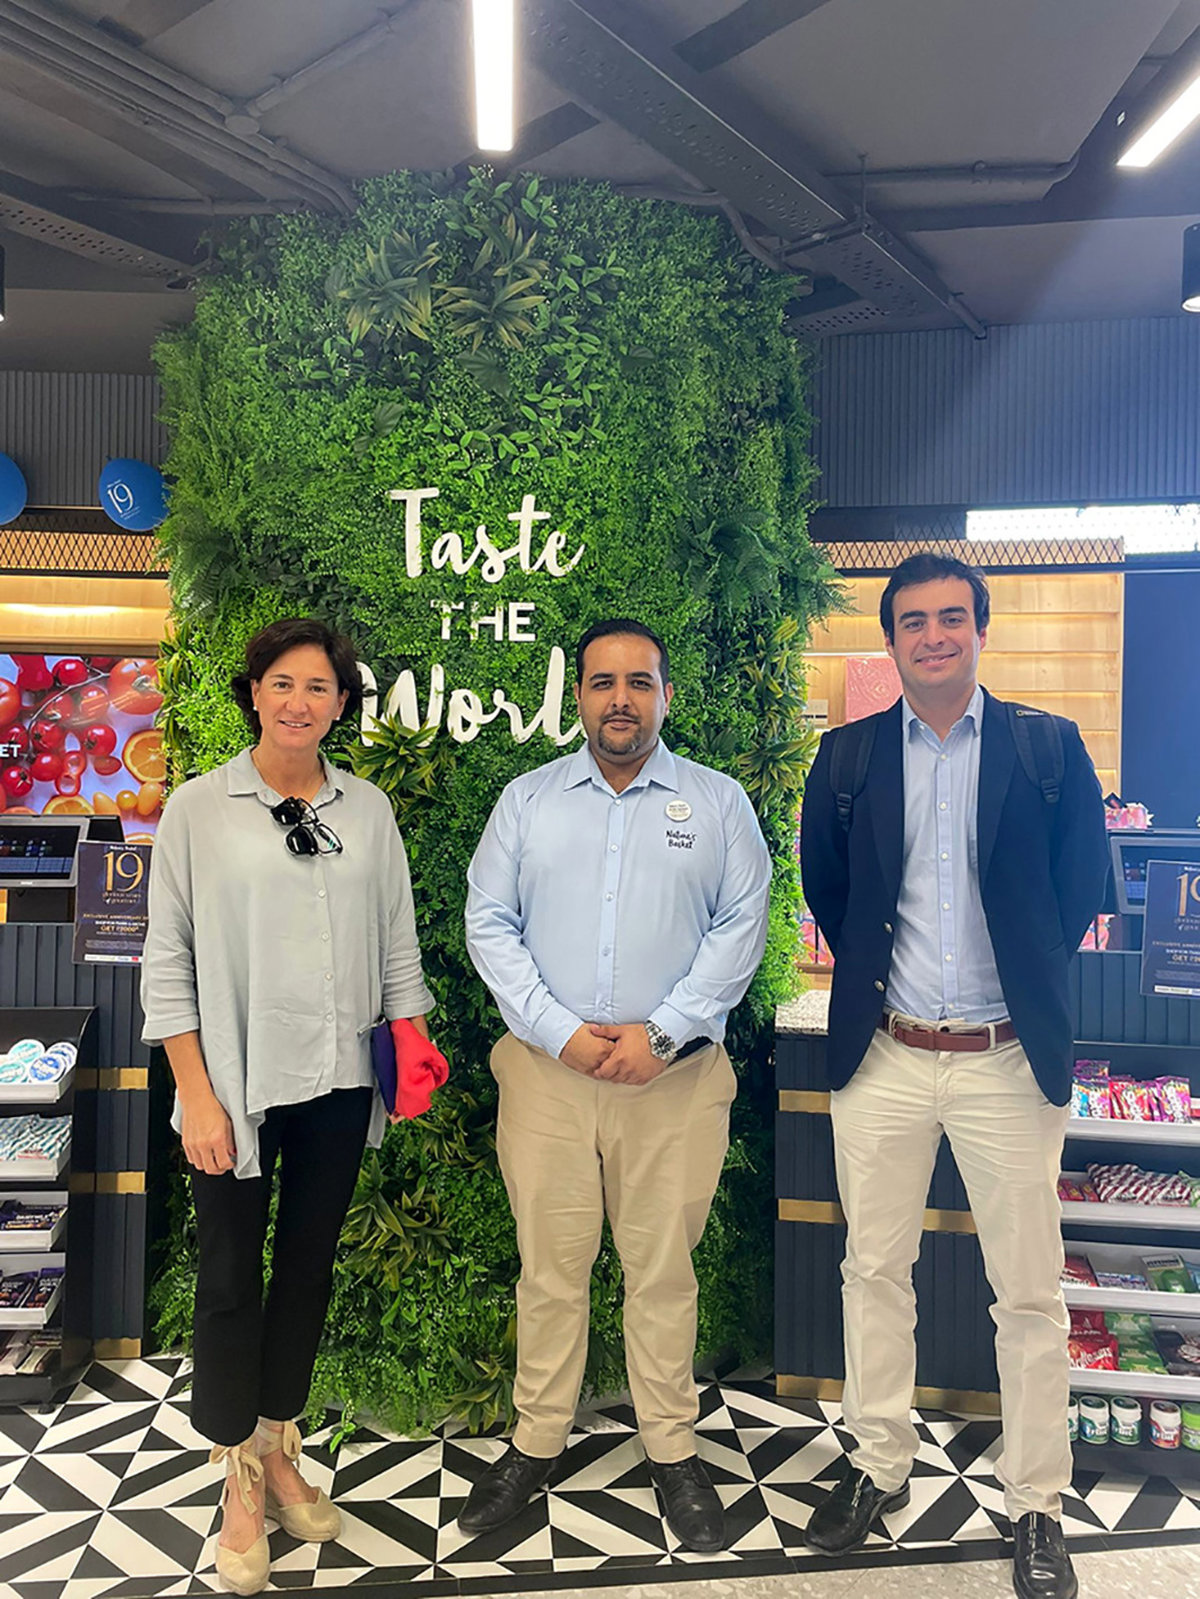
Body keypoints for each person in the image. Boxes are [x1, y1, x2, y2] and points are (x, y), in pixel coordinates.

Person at [800, 554, 1108, 1599]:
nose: (932, 636)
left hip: (1006, 1059)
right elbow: (832, 891)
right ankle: (878, 1462)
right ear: (891, 639)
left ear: (981, 628)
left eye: (950, 618)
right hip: (885, 1054)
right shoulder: (846, 758)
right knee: (872, 1271)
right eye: (913, 621)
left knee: (1028, 1292)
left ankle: (1037, 1503)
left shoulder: (1046, 747)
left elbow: (1077, 893)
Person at [463, 618, 771, 1551]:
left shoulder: (717, 803)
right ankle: (536, 1440)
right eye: (603, 682)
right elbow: (488, 920)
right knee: (549, 1272)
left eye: (640, 681)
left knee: (663, 1273)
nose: (621, 699)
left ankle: (672, 1449)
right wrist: (557, 1031)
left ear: (666, 695)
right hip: (547, 1078)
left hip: (674, 1083)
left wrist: (664, 1032)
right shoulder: (527, 800)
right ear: (580, 698)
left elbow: (741, 928)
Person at [141, 617, 434, 1597]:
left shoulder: (370, 811)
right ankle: (234, 1476)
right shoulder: (199, 808)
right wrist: (196, 1096)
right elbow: (166, 962)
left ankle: (276, 1446)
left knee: (306, 1271)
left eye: (319, 687)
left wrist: (410, 1045)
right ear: (254, 693)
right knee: (230, 1278)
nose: (299, 702)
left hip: (340, 1082)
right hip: (232, 1086)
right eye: (282, 683)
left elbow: (398, 945)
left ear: (341, 704)